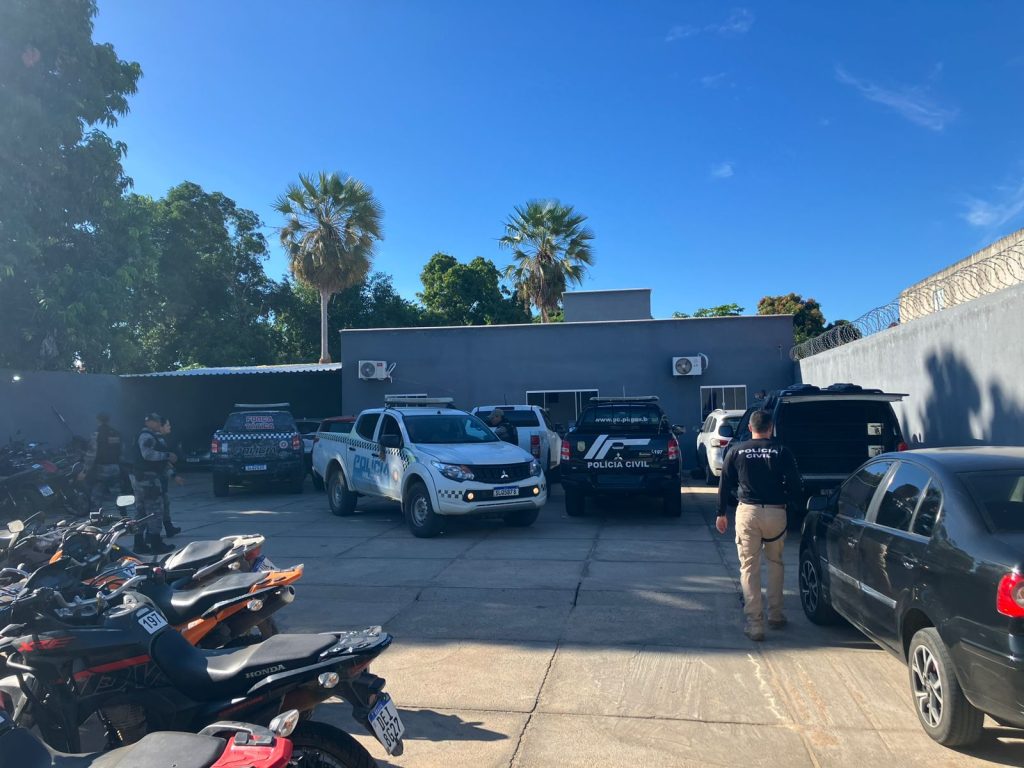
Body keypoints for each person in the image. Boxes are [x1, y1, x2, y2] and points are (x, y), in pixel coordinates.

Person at [715, 410, 802, 641]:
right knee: (775, 563)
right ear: (771, 428)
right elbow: (795, 484)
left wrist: (721, 513)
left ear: (750, 428)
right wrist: (793, 507)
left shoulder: (737, 451)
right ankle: (776, 614)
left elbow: (724, 483)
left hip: (748, 513)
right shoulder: (782, 451)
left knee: (749, 567)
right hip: (776, 512)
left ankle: (755, 624)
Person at [132, 412, 176, 554]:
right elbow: (148, 454)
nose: (158, 424)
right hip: (149, 480)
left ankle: (139, 543)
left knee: (141, 513)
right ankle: (156, 544)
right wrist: (167, 455)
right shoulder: (147, 436)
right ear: (149, 423)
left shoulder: (147, 436)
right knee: (154, 512)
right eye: (155, 422)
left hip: (141, 479)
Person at [78, 412, 123, 514]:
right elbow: (121, 450)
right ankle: (123, 514)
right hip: (115, 467)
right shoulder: (116, 433)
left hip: (102, 468)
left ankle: (96, 516)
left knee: (96, 493)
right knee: (116, 493)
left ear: (98, 420)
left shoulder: (97, 434)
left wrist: (84, 471)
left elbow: (91, 454)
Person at [157, 417, 184, 538]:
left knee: (165, 504)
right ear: (160, 426)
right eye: (167, 425)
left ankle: (168, 527)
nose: (170, 427)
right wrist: (173, 475)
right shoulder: (157, 440)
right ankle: (151, 536)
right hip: (154, 480)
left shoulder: (161, 440)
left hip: (160, 480)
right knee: (155, 508)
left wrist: (174, 475)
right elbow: (162, 462)